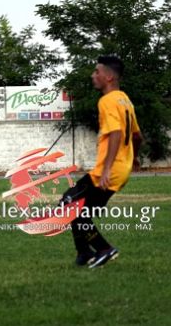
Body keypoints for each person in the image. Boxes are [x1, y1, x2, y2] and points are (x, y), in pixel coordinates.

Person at [59, 55, 142, 268]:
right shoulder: (125, 100)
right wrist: (134, 158)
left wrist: (106, 169)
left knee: (71, 205)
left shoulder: (107, 100)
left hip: (108, 170)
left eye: (97, 71)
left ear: (109, 76)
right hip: (120, 169)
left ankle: (103, 249)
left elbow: (115, 133)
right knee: (76, 207)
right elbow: (136, 136)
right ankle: (84, 252)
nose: (93, 75)